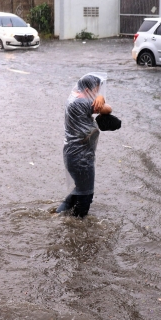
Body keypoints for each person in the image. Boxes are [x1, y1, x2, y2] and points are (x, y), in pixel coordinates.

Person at [56, 73, 112, 217]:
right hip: (81, 158)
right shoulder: (82, 102)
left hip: (74, 155)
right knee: (86, 195)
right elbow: (107, 109)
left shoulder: (73, 99)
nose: (97, 93)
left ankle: (58, 215)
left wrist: (99, 97)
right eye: (96, 90)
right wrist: (101, 99)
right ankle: (76, 227)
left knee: (80, 189)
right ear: (88, 89)